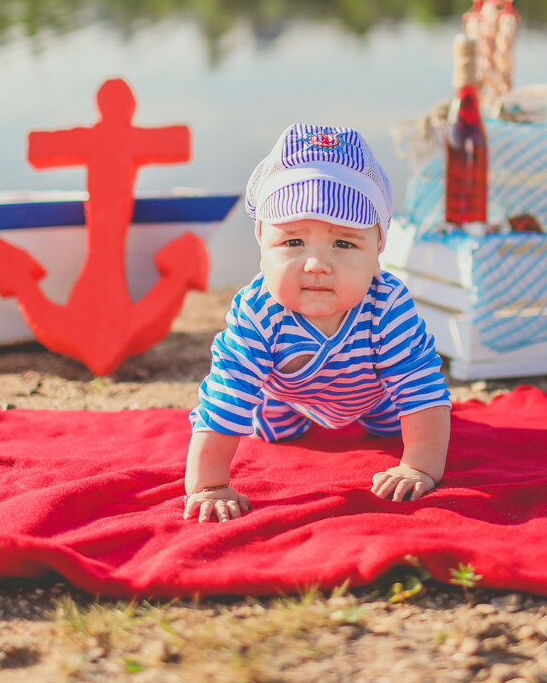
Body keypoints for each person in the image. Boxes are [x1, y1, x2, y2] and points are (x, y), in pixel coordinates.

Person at [183, 124, 452, 523]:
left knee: (390, 426)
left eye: (344, 243)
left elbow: (419, 385)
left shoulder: (387, 305)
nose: (316, 264)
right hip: (283, 393)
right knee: (276, 432)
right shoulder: (257, 312)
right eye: (293, 242)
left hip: (370, 391)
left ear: (377, 252)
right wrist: (209, 485)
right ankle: (287, 416)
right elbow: (228, 394)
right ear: (262, 246)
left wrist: (418, 467)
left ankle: (378, 421)